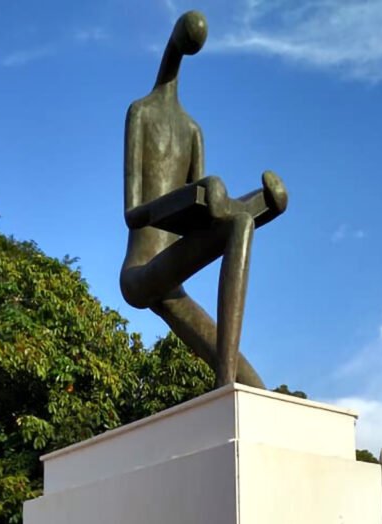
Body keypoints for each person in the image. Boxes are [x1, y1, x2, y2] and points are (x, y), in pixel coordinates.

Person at [120, 10, 288, 389]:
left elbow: (206, 216)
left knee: (256, 387)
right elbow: (133, 214)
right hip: (141, 273)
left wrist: (258, 204)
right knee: (230, 213)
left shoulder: (193, 130)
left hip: (173, 280)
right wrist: (198, 195)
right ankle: (223, 384)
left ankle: (227, 381)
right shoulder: (140, 112)